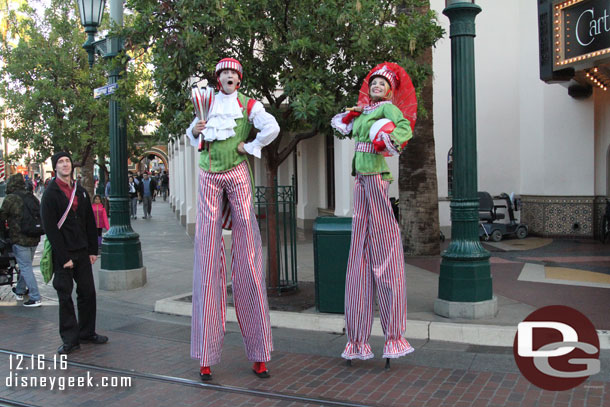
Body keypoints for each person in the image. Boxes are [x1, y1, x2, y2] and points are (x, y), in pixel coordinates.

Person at [186, 57, 280, 381]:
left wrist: (251, 145)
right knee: (208, 258)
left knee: (249, 259)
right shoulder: (206, 102)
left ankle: (260, 353)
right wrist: (195, 130)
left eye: (233, 73)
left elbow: (272, 128)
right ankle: (206, 355)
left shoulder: (248, 104)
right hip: (208, 176)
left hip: (238, 173)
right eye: (224, 72)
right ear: (218, 78)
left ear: (239, 79)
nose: (228, 76)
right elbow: (192, 134)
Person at [330, 62, 416, 366]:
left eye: (382, 84)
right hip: (360, 180)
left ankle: (393, 336)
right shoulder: (364, 111)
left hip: (377, 178)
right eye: (374, 84)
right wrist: (353, 114)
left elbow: (404, 128)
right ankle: (357, 341)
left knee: (383, 245)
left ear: (390, 89)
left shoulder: (388, 110)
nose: (376, 87)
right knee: (359, 250)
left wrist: (388, 141)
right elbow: (344, 125)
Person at [41, 152, 108, 355]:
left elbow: (89, 221)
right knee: (65, 296)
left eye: (67, 161)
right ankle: (70, 339)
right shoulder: (50, 193)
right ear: (55, 168)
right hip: (64, 254)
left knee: (88, 293)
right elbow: (50, 229)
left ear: (72, 166)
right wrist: (64, 258)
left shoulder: (81, 191)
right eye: (60, 162)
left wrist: (92, 250)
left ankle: (87, 332)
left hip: (82, 251)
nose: (65, 165)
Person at [0, 173, 43, 307]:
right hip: (35, 236)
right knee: (26, 266)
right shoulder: (31, 197)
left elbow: (1, 217)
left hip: (19, 238)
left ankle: (35, 296)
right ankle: (19, 290)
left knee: (25, 267)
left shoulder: (11, 199)